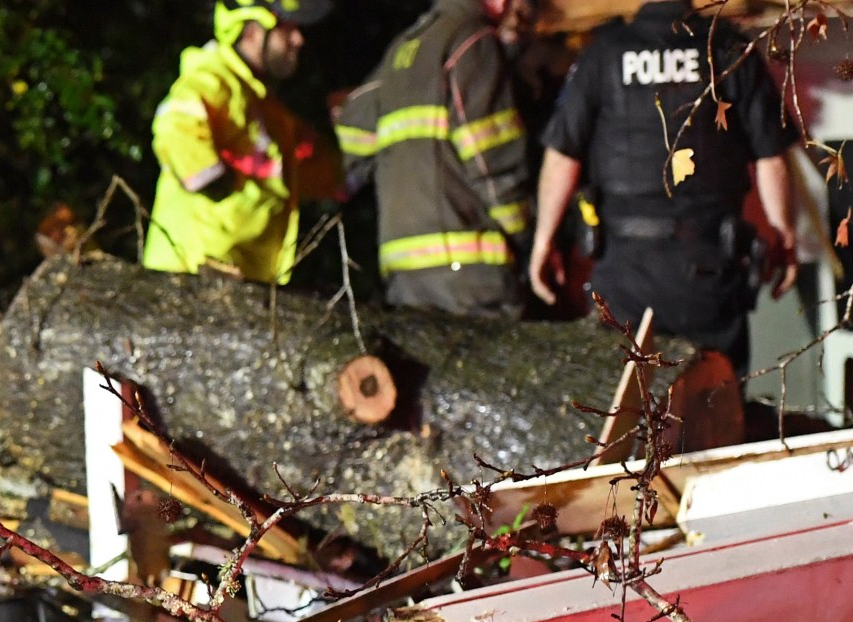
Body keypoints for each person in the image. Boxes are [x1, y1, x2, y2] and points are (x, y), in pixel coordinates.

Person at [524, 0, 799, 364]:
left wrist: (544, 240)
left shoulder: (603, 54)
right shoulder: (729, 50)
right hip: (708, 269)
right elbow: (771, 157)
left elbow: (562, 157)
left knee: (632, 403)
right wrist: (784, 234)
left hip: (625, 273)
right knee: (713, 400)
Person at [335, 0, 536, 316]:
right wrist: (526, 238)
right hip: (470, 269)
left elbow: (350, 129)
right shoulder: (472, 41)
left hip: (404, 269)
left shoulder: (405, 47)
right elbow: (493, 159)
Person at [144, 0, 343, 285]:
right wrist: (210, 178)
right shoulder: (214, 78)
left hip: (243, 276)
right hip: (194, 271)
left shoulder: (266, 108)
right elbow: (174, 123)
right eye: (286, 30)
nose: (299, 39)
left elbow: (313, 172)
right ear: (251, 32)